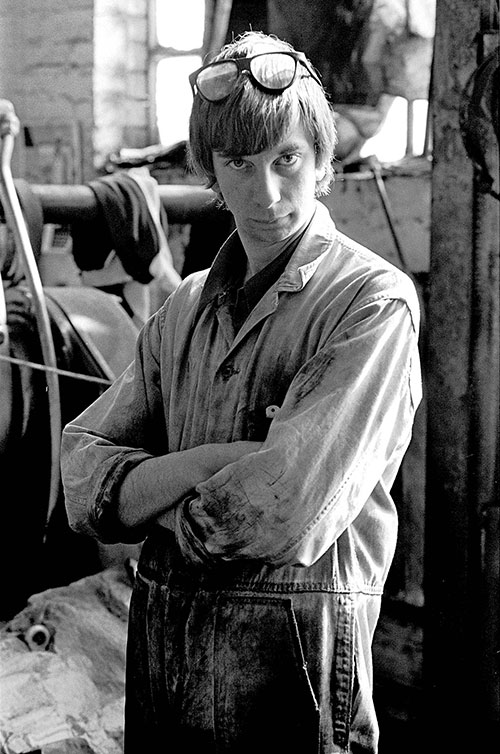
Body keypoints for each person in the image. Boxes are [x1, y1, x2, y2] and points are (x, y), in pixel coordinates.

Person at [60, 30, 422, 754]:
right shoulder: (184, 309)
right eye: (239, 163)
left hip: (290, 681)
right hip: (166, 672)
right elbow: (79, 478)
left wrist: (145, 496)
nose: (265, 192)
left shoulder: (371, 303)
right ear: (211, 174)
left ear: (321, 161)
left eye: (286, 159)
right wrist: (208, 463)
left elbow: (278, 512)